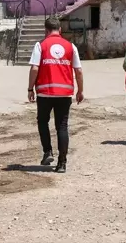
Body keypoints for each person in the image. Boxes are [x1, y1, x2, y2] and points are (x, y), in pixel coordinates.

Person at [27, 17, 83, 173]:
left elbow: (35, 69)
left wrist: (30, 88)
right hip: (65, 94)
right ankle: (62, 164)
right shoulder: (71, 46)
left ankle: (47, 151)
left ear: (46, 30)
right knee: (62, 127)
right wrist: (80, 90)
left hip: (45, 93)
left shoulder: (40, 45)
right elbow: (78, 70)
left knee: (43, 121)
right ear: (60, 30)